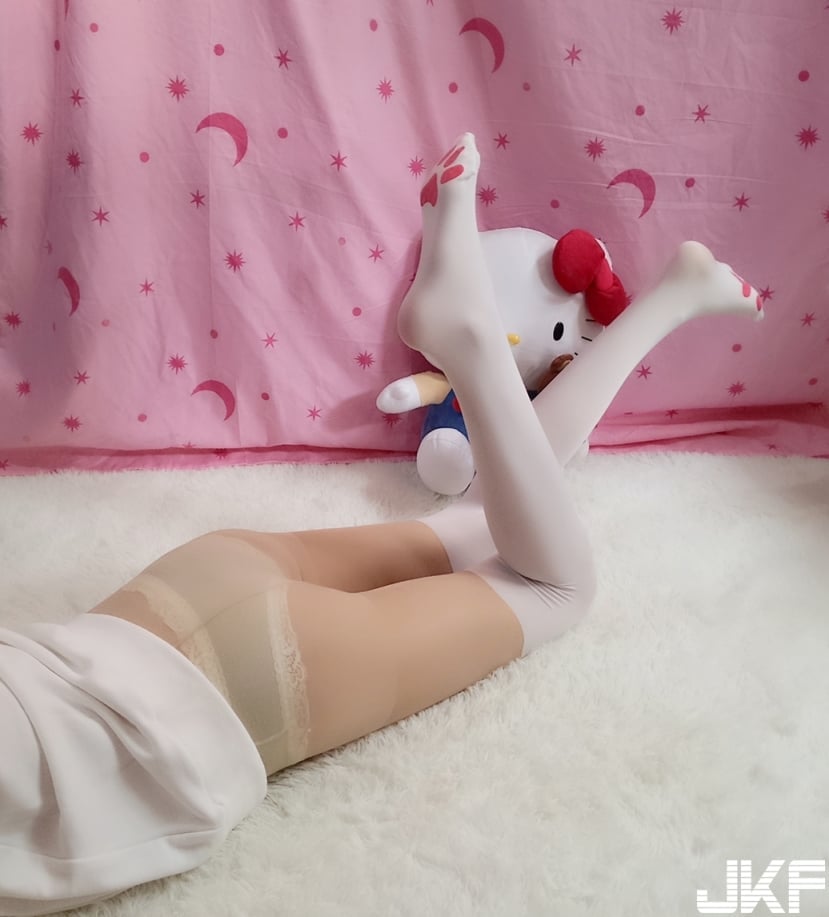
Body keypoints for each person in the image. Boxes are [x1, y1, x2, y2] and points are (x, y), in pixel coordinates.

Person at [0, 132, 763, 916]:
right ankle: (668, 299)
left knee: (556, 589)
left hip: (231, 686)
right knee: (477, 519)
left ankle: (472, 344)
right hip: (151, 606)